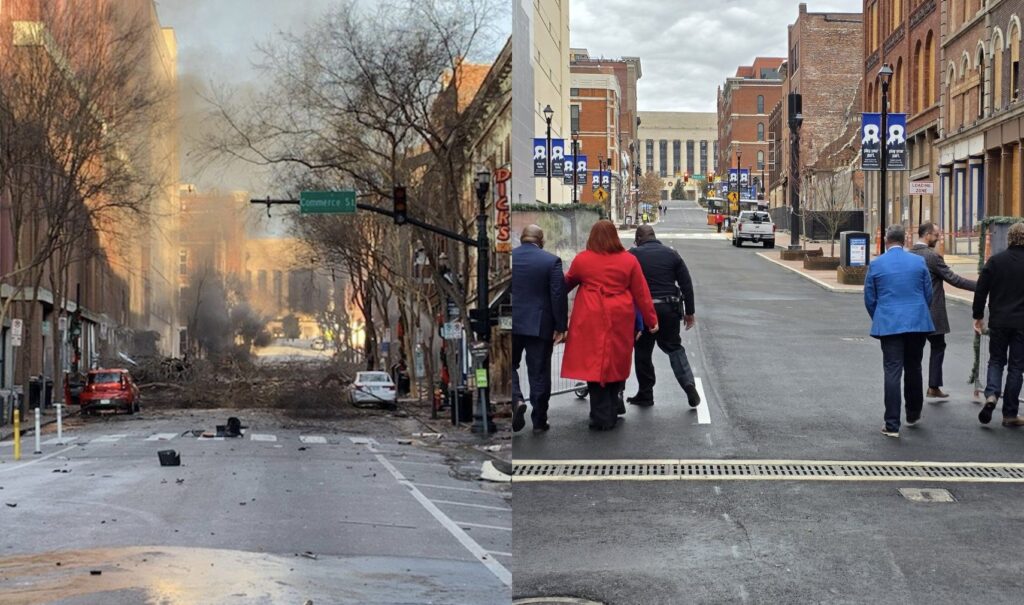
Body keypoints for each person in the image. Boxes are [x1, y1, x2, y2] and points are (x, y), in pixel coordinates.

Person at [562, 220, 658, 430]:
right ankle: (612, 406)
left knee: (594, 363)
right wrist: (651, 320)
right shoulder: (629, 260)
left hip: (590, 315)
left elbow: (565, 284)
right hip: (620, 316)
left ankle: (600, 415)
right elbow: (642, 294)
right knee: (616, 360)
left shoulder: (582, 260)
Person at [864, 225, 935, 438]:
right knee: (914, 367)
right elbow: (928, 293)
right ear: (904, 241)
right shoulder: (918, 262)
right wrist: (919, 312)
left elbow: (869, 298)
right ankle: (913, 413)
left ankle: (892, 423)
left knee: (892, 371)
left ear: (886, 241)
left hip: (889, 323)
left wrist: (881, 316)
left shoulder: (876, 265)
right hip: (917, 322)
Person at [627, 225, 701, 408]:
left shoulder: (632, 255)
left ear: (638, 239)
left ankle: (646, 394)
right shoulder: (672, 254)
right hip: (669, 309)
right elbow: (686, 283)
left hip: (643, 312)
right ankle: (688, 385)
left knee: (643, 352)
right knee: (674, 348)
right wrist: (689, 312)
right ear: (654, 236)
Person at [908, 223, 976, 398]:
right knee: (938, 346)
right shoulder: (932, 256)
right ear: (928, 235)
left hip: (914, 313)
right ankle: (933, 386)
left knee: (915, 352)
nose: (938, 238)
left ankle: (915, 392)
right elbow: (954, 280)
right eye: (937, 234)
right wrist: (981, 286)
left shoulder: (910, 254)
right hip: (932, 313)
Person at [511, 225, 568, 433]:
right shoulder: (550, 261)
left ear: (522, 238)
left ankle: (516, 400)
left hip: (512, 323)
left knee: (510, 366)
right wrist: (561, 326)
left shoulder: (511, 258)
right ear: (541, 240)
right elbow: (558, 295)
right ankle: (539, 421)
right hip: (539, 325)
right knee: (539, 373)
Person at [972, 222, 1024, 426]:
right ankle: (1010, 413)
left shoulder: (995, 261)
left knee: (996, 360)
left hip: (999, 320)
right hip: (1022, 323)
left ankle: (992, 393)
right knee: (1017, 367)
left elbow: (981, 290)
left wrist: (978, 315)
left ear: (1009, 238)